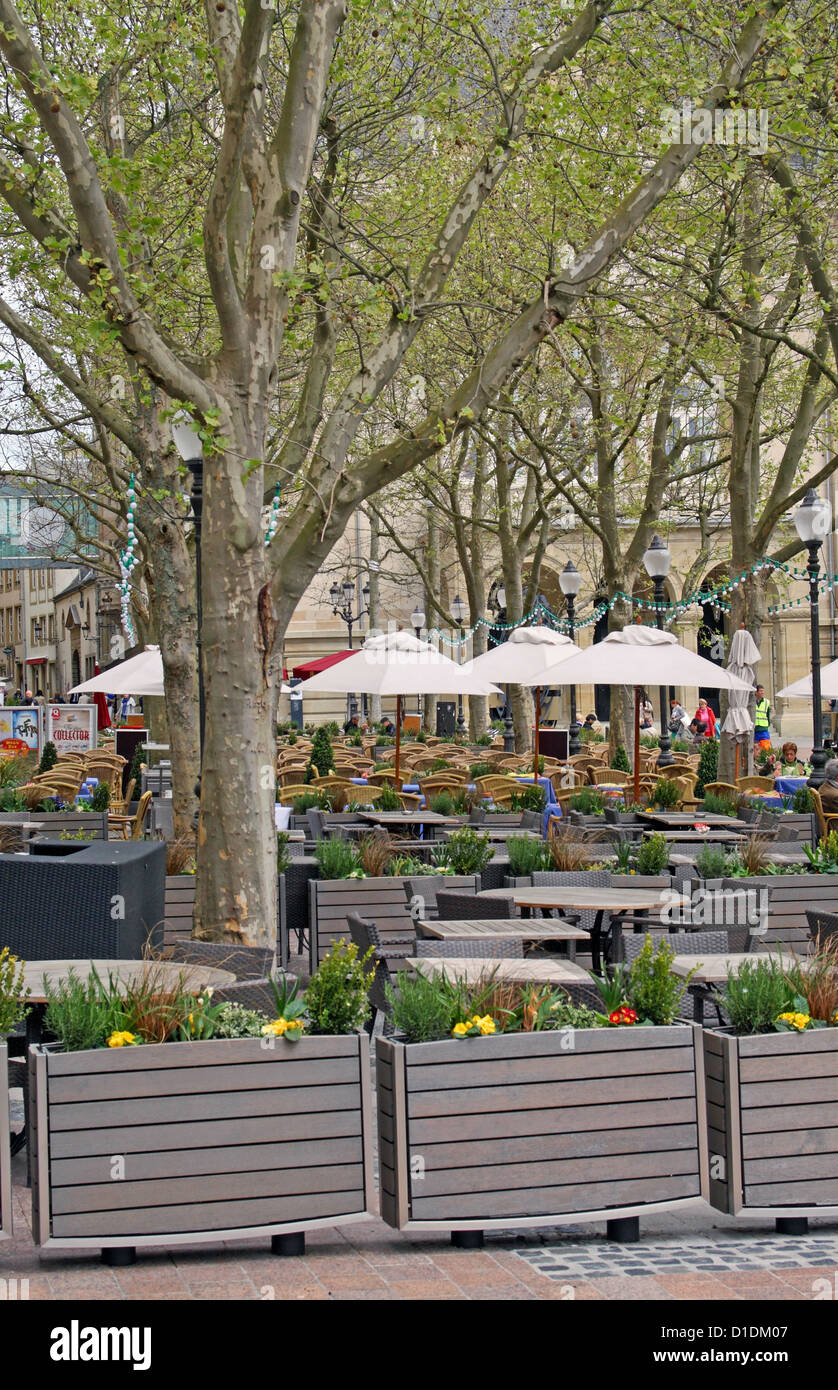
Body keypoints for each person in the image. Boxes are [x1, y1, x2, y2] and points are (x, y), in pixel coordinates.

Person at [754, 685, 771, 750]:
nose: (762, 692)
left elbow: (768, 715)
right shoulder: (752, 702)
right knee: (755, 749)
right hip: (754, 729)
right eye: (761, 691)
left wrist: (767, 724)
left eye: (763, 691)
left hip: (763, 729)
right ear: (756, 692)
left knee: (766, 748)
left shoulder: (766, 702)